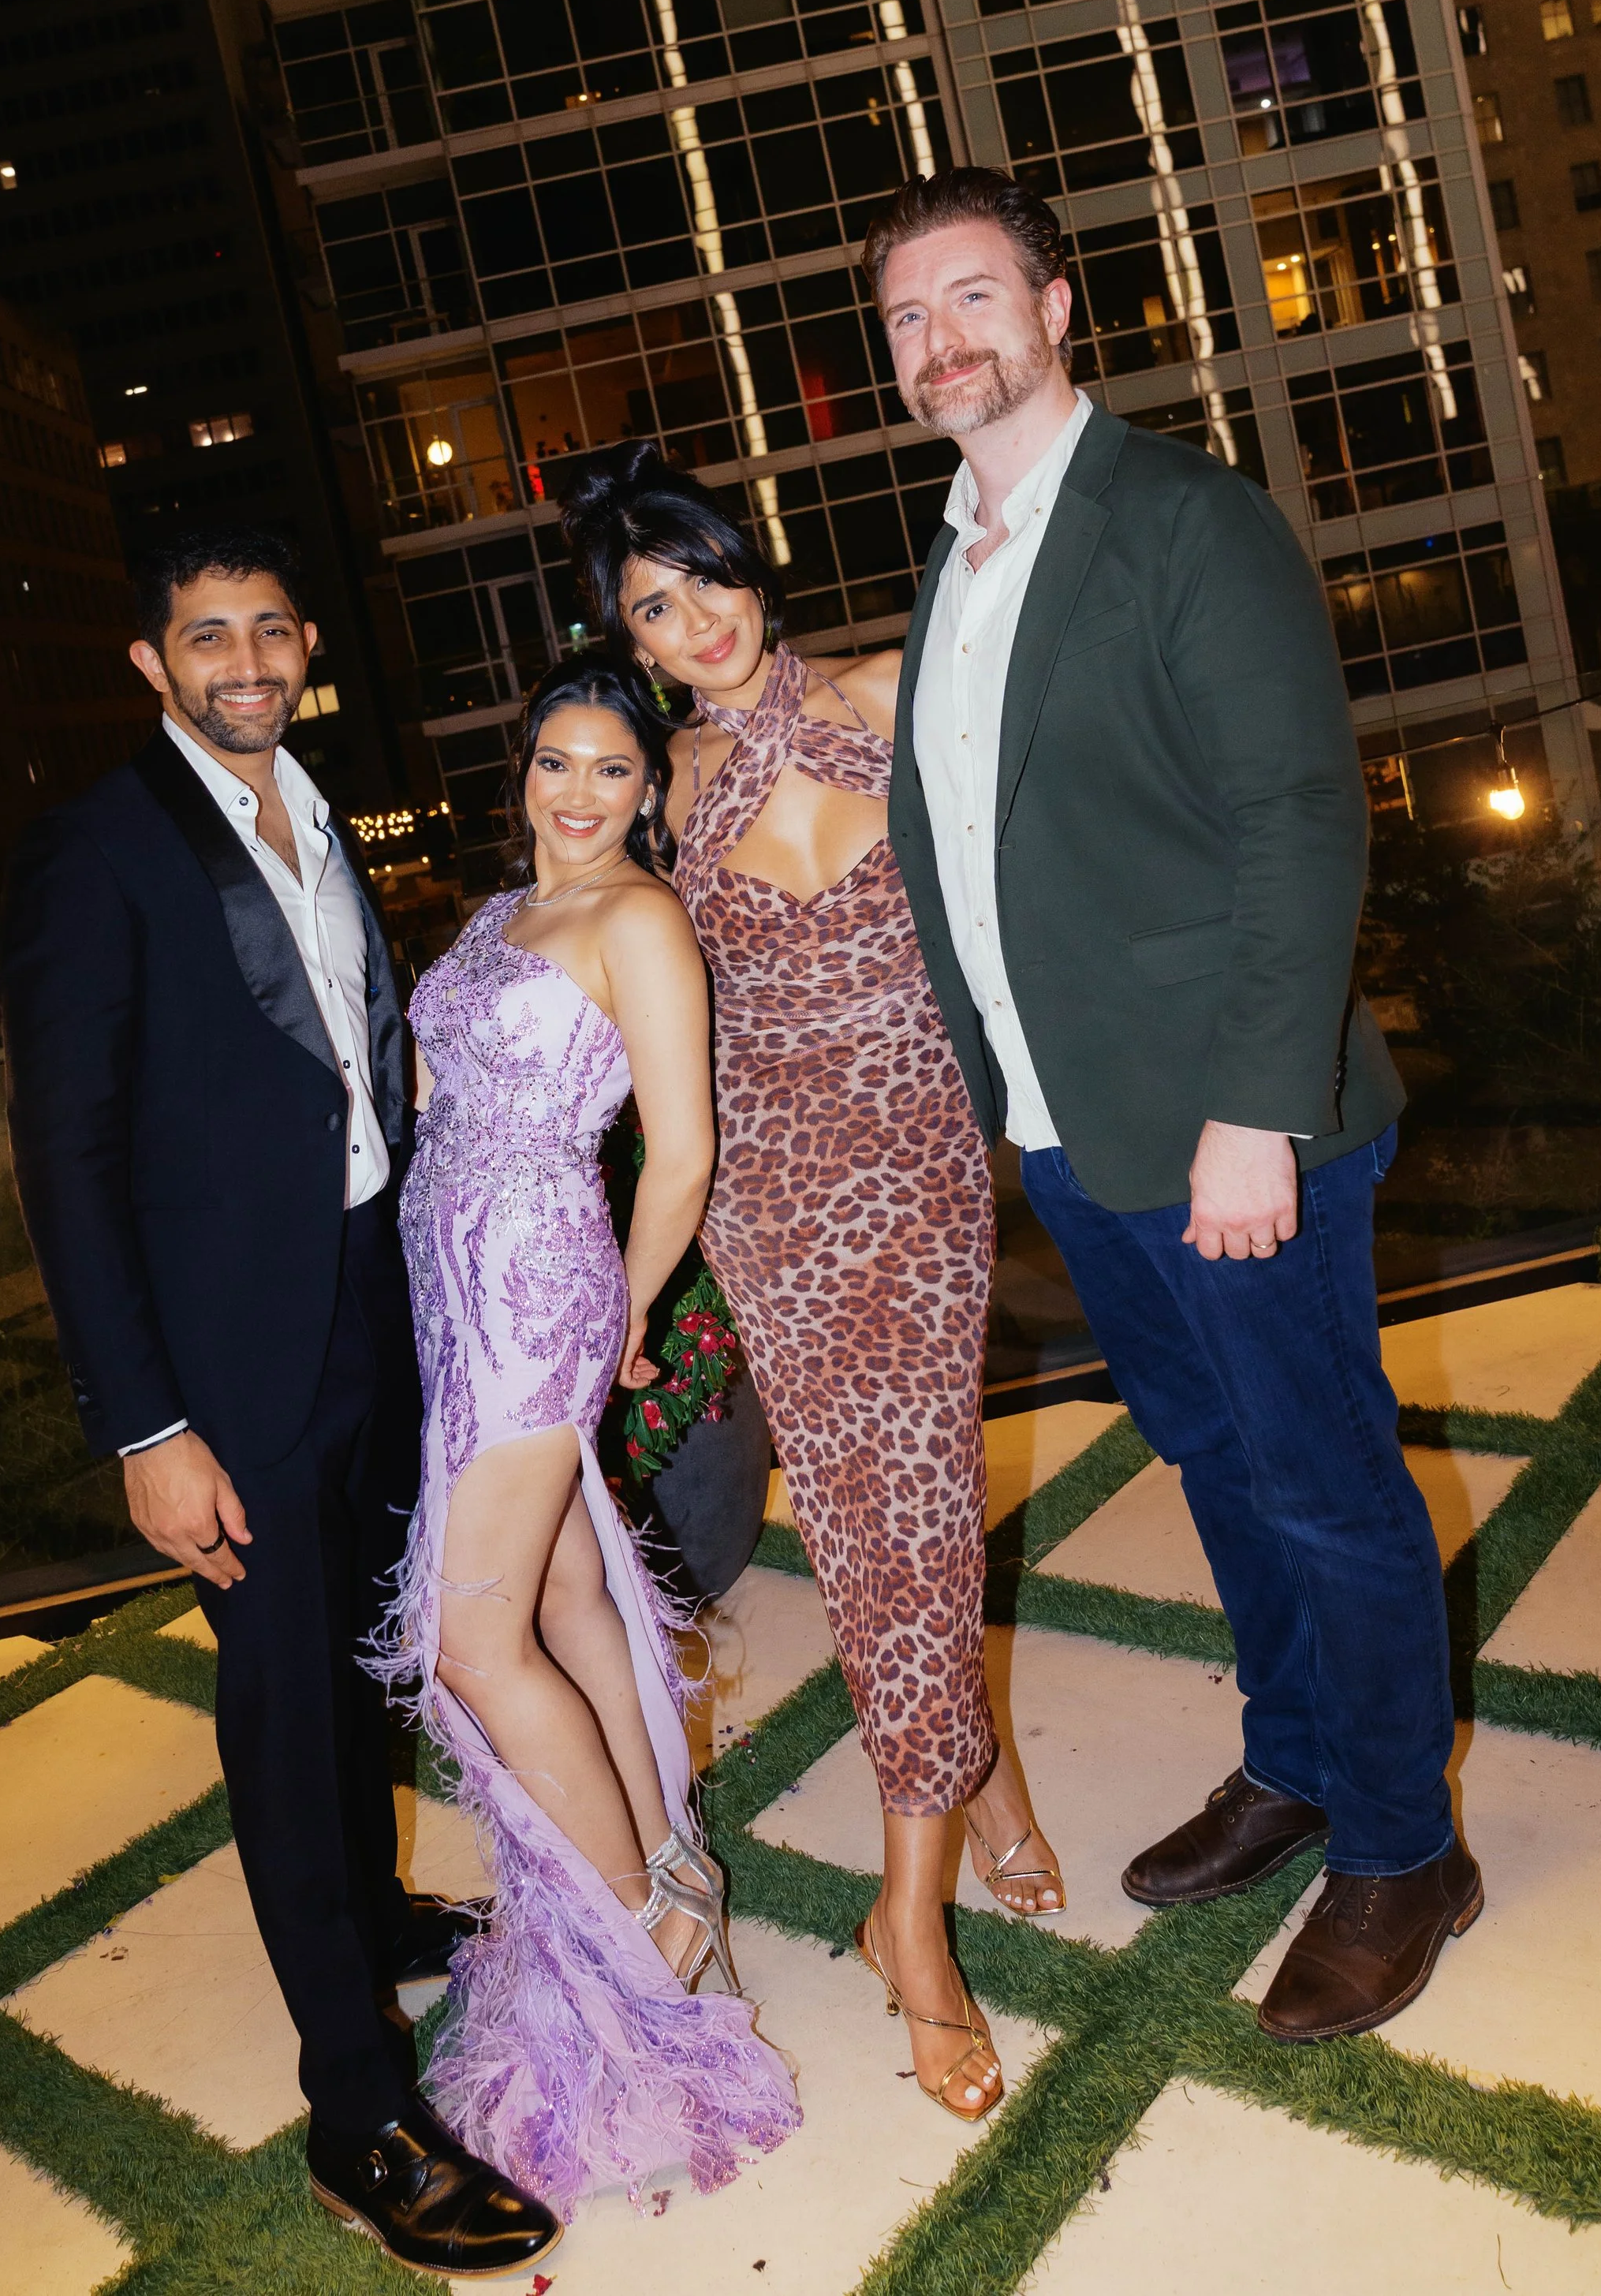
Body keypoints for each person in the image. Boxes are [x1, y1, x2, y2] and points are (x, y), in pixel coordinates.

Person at [875, 163, 1478, 2042]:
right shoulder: (952, 563)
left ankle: (1401, 1850)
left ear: (1056, 309)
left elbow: (1296, 816)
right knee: (1219, 1463)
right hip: (1072, 1125)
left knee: (1323, 1482)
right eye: (905, 317)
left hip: (1230, 1127)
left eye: (972, 297)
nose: (938, 340)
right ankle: (1296, 1757)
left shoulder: (1177, 519)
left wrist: (1252, 1111)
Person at [0, 528, 559, 2279]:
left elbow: (338, 1065)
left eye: (265, 630)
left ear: (303, 644)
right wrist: (144, 1427)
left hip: (365, 1309)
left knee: (359, 1664)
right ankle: (356, 2114)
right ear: (150, 664)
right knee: (284, 1720)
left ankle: (372, 1914)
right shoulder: (98, 848)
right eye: (203, 636)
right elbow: (65, 1158)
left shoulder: (316, 813)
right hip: (226, 1375)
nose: (241, 659)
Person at [562, 450, 1062, 2128]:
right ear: (630, 642)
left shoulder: (898, 689)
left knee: (921, 1506)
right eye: (651, 608)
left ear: (752, 568)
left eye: (703, 577)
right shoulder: (658, 787)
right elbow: (596, 962)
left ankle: (968, 1804)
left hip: (922, 1168)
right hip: (773, 1205)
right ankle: (913, 1918)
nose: (691, 621)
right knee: (877, 1531)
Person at [375, 651, 799, 2219]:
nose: (577, 792)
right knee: (558, 1599)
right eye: (555, 761)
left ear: (645, 789)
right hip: (447, 1276)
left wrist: (622, 1308)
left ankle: (641, 1937)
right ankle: (672, 1863)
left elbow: (679, 1151)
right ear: (523, 772)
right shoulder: (499, 913)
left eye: (611, 768)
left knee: (471, 1642)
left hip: (536, 1284)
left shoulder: (640, 918)